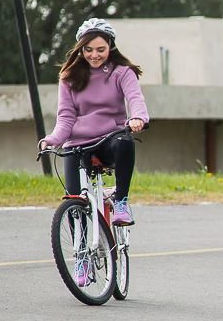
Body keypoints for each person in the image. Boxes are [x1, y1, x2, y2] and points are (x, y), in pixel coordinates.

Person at [38, 18, 149, 237]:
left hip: (109, 140)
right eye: (88, 50)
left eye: (101, 49)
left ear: (111, 47)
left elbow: (135, 99)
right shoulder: (68, 77)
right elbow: (66, 117)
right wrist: (52, 139)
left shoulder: (122, 72)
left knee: (125, 141)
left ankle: (121, 202)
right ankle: (81, 255)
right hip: (78, 144)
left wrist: (138, 118)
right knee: (74, 204)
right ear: (80, 49)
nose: (94, 55)